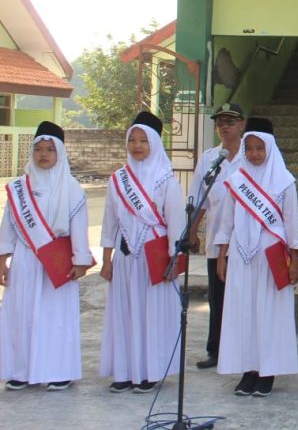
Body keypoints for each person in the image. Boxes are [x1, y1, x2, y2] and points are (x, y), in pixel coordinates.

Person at [0, 121, 93, 391]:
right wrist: (2, 259)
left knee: (56, 318)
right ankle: (21, 371)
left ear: (60, 153)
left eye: (50, 149)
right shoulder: (19, 188)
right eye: (39, 149)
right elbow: (8, 226)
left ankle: (59, 371)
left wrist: (80, 261)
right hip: (25, 259)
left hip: (58, 262)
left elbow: (79, 227)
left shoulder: (71, 187)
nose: (44, 154)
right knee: (21, 314)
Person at [216, 117, 298, 397]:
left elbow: (292, 224)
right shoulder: (236, 181)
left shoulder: (284, 182)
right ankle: (248, 369)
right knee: (243, 313)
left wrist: (294, 260)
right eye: (250, 148)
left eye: (259, 148)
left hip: (271, 258)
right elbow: (226, 223)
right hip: (241, 256)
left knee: (269, 314)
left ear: (270, 148)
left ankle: (268, 372)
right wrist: (221, 256)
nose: (254, 154)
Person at [99, 111, 186, 393]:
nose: (136, 146)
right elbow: (109, 222)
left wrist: (175, 260)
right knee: (124, 312)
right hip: (125, 256)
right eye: (132, 140)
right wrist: (106, 260)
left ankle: (150, 371)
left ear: (155, 143)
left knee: (151, 314)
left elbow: (176, 223)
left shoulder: (166, 179)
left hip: (155, 255)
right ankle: (124, 371)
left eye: (143, 140)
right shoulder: (118, 179)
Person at [189, 102, 246, 370]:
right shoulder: (209, 159)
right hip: (216, 240)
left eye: (230, 121)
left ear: (242, 124)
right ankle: (216, 350)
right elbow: (198, 198)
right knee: (218, 298)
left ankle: (243, 351)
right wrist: (192, 231)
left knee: (243, 298)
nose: (224, 127)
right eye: (220, 122)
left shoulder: (252, 155)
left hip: (245, 242)